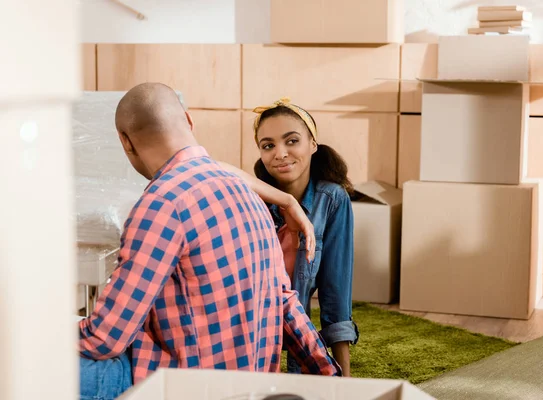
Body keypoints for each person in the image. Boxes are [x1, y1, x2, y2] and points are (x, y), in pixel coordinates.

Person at [78, 83, 341, 400]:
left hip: (182, 388)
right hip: (249, 386)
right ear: (188, 121)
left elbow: (104, 339)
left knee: (35, 360)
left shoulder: (160, 205)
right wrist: (333, 380)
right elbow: (286, 303)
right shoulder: (249, 196)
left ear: (126, 142)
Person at [251, 98, 358, 377]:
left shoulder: (332, 200)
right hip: (250, 328)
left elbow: (336, 290)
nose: (281, 153)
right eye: (268, 145)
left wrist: (345, 380)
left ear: (312, 144)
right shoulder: (251, 199)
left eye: (292, 141)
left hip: (298, 323)